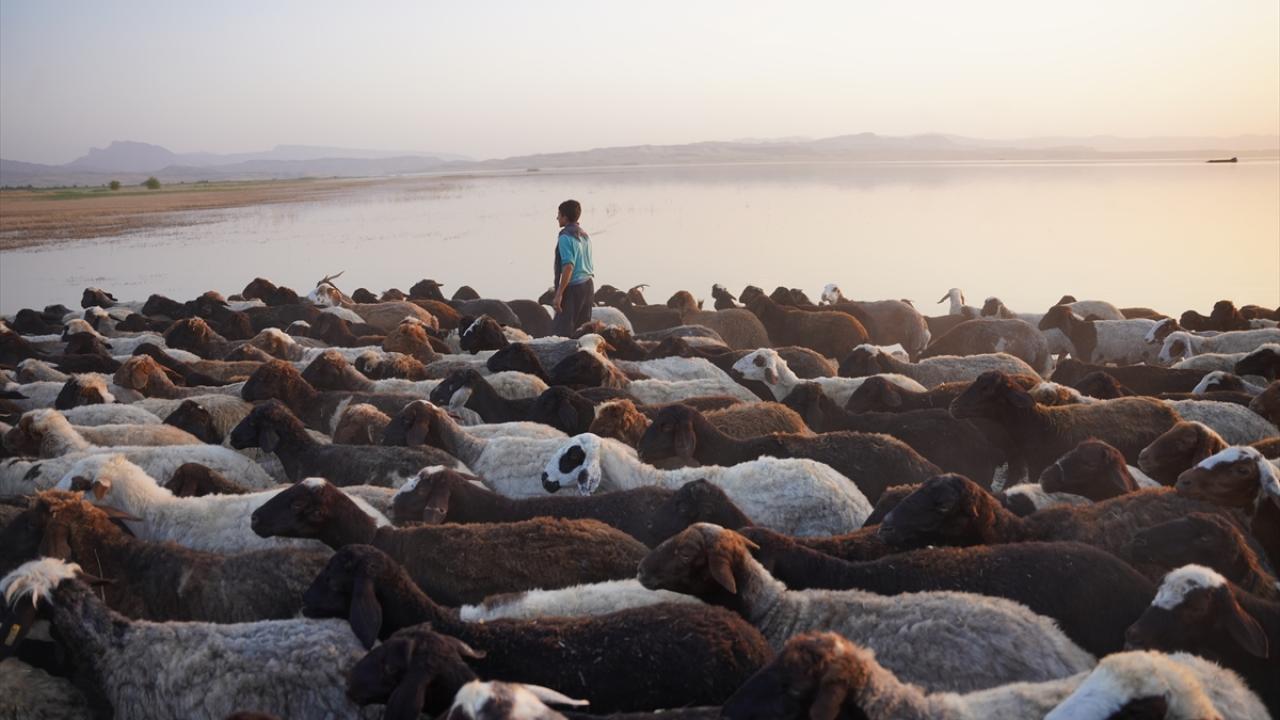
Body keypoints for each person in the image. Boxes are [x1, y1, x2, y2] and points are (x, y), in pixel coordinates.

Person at [550, 199, 595, 336]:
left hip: (573, 289)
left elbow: (569, 266)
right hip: (588, 286)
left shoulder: (565, 237)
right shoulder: (585, 235)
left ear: (565, 217)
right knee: (581, 333)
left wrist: (559, 293)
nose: (557, 218)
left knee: (560, 334)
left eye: (559, 214)